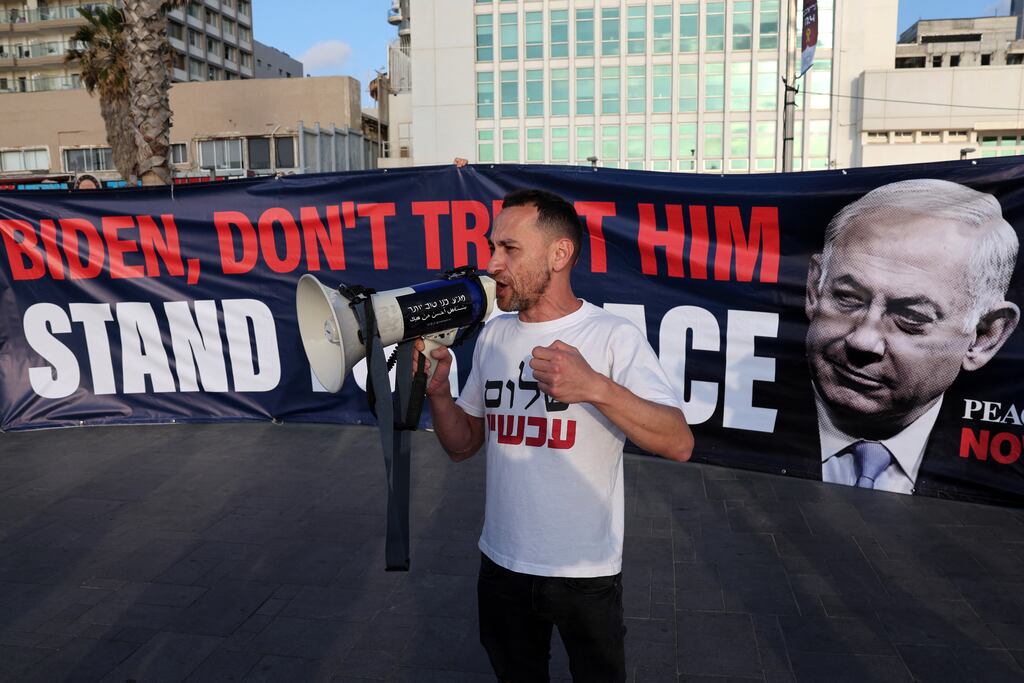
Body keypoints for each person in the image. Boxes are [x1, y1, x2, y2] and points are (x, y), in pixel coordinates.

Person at [416, 189, 693, 682]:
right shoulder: (494, 335)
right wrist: (439, 396)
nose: (492, 263)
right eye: (492, 247)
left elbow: (678, 442)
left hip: (585, 571)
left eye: (509, 249)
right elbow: (462, 447)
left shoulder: (612, 336)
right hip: (500, 561)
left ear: (560, 254)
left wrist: (596, 387)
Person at [804, 178, 1019, 494]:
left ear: (984, 337)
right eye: (848, 297)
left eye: (911, 318)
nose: (862, 340)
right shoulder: (741, 429)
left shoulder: (1001, 478)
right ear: (814, 288)